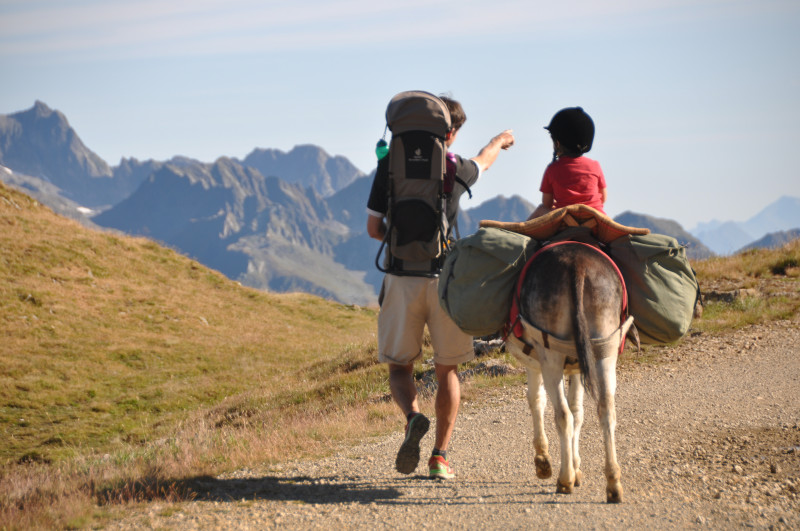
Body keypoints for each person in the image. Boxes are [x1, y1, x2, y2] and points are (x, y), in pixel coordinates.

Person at [366, 95, 514, 479]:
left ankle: (414, 416)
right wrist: (499, 142)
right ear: (450, 132)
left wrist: (395, 238)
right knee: (447, 370)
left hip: (401, 277)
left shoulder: (388, 165)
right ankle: (440, 458)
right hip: (443, 281)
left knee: (400, 367)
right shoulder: (454, 167)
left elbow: (373, 229)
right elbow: (484, 161)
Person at [529, 107, 607, 219]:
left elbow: (547, 203)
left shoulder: (552, 169)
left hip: (565, 221)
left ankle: (517, 234)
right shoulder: (595, 165)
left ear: (557, 143)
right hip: (596, 219)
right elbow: (603, 197)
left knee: (541, 209)